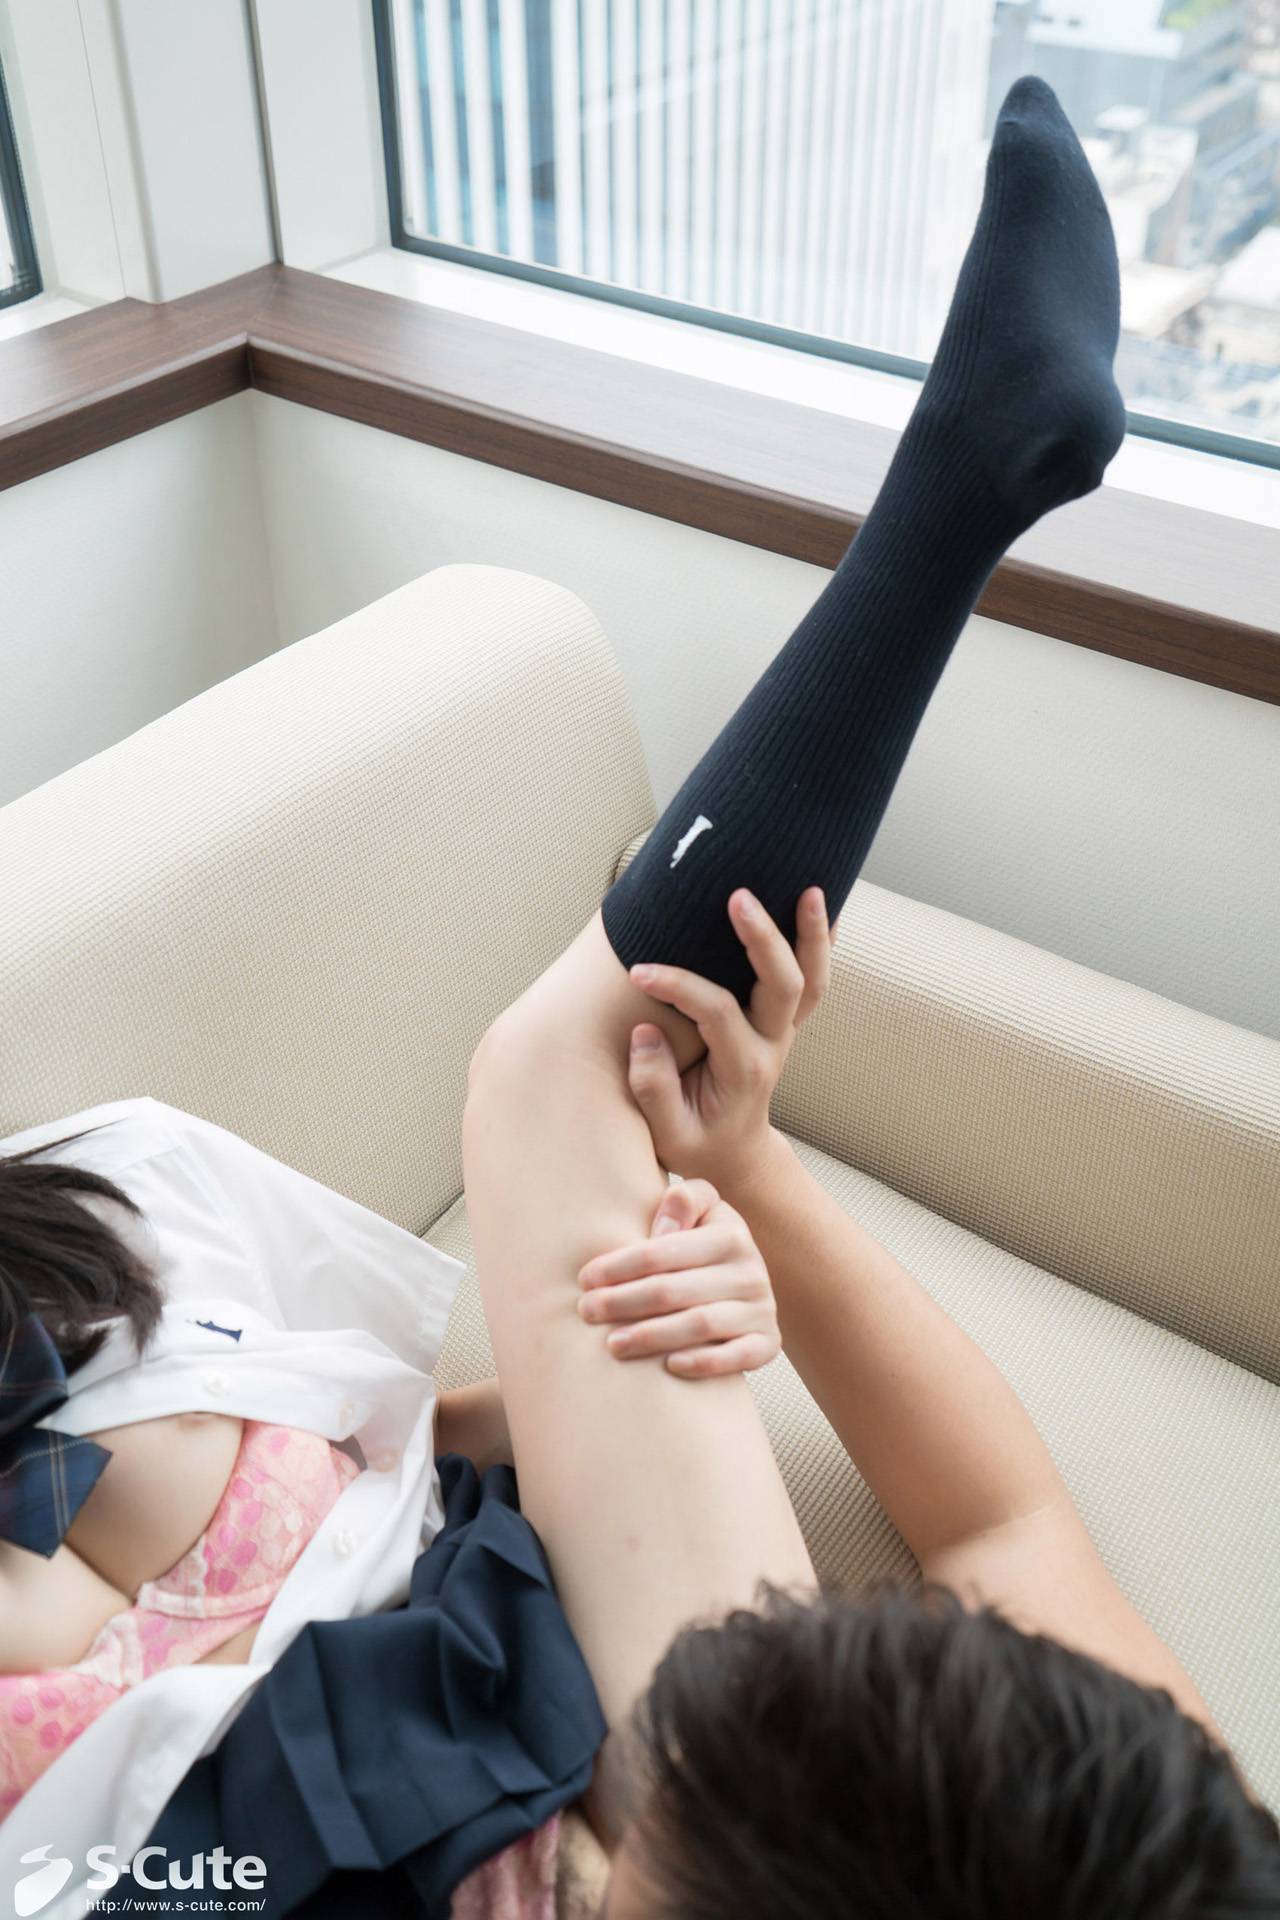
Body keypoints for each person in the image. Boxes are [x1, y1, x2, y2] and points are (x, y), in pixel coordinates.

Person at [2, 70, 1276, 1917]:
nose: (684, 1704)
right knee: (562, 1076)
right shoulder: (1151, 1864)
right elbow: (1003, 1524)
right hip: (417, 1662)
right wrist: (746, 1175)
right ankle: (971, 478)